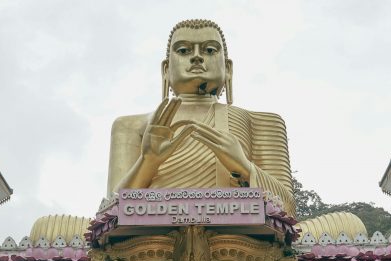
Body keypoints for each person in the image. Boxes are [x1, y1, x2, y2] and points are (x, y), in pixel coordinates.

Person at [105, 19, 295, 215]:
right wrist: (148, 163)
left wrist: (243, 166)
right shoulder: (131, 126)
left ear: (228, 69)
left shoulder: (262, 122)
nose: (197, 57)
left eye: (210, 50)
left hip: (239, 243)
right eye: (184, 51)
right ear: (166, 69)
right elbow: (109, 213)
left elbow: (288, 210)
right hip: (149, 243)